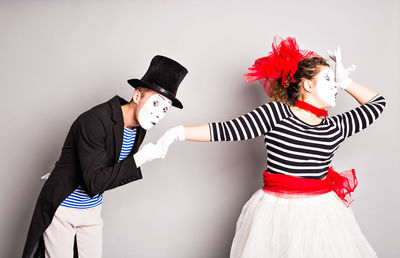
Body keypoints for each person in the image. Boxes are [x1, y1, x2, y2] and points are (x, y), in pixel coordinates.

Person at [157, 37, 386, 257]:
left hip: (322, 214)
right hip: (277, 214)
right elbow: (227, 129)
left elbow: (377, 104)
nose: (334, 85)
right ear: (307, 84)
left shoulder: (334, 127)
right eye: (328, 79)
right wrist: (177, 133)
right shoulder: (277, 113)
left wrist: (345, 81)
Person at [22, 55, 188, 258]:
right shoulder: (95, 120)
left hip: (91, 210)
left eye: (164, 109)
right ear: (137, 96)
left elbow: (108, 174)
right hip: (63, 209)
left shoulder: (140, 128)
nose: (158, 114)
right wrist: (139, 159)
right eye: (155, 104)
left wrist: (76, 167)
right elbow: (95, 181)